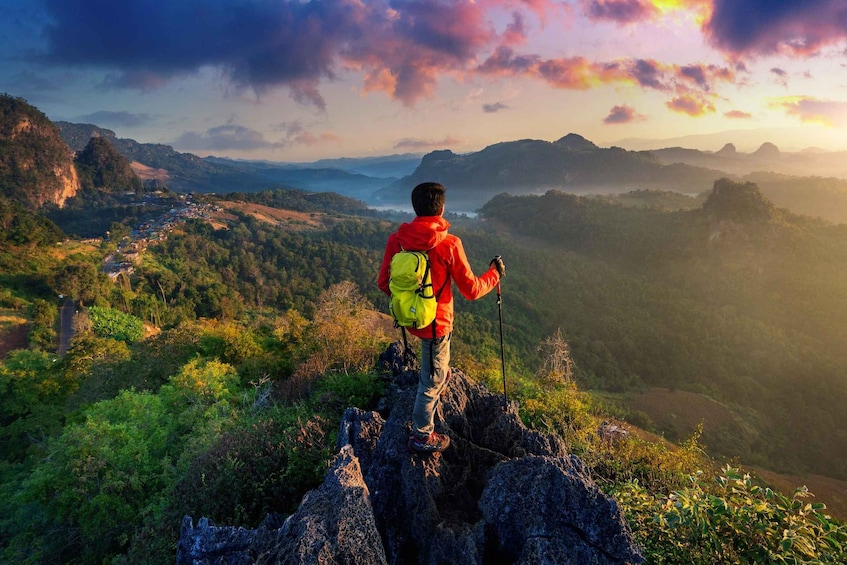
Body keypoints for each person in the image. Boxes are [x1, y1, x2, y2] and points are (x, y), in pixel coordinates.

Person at [378, 182, 505, 454]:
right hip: (438, 325)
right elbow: (471, 290)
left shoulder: (397, 241)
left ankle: (440, 374)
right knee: (429, 383)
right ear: (442, 209)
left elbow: (383, 282)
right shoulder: (450, 244)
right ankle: (422, 436)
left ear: (415, 208)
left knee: (435, 367)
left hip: (412, 320)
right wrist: (494, 275)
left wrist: (410, 303)